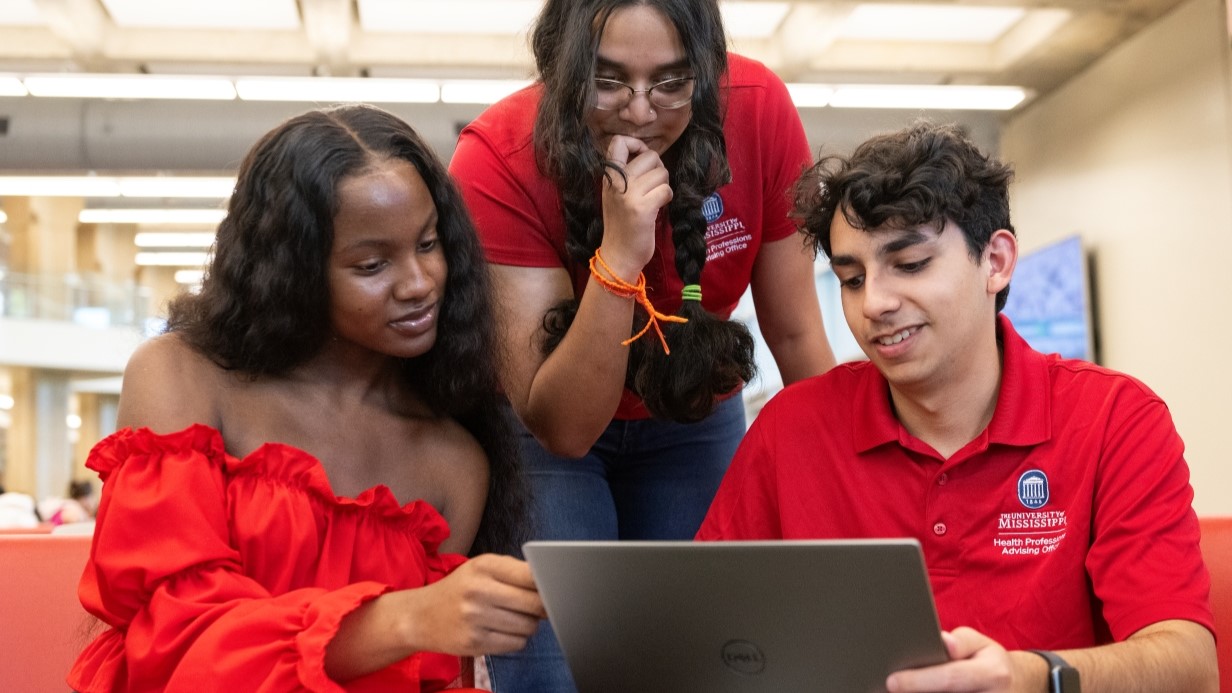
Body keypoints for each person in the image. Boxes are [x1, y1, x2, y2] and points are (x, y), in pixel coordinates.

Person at [697, 121, 1218, 692]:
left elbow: (1188, 667)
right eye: (850, 278)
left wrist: (1031, 677)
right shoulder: (789, 429)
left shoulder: (1115, 419)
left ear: (995, 261)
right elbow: (706, 637)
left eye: (911, 264)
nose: (874, 303)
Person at [69, 104, 545, 692]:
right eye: (371, 264)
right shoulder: (179, 378)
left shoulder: (454, 462)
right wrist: (404, 617)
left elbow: (423, 675)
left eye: (427, 244)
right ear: (292, 271)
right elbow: (172, 635)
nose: (419, 283)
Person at [450, 1, 836, 688]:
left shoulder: (757, 109)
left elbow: (797, 332)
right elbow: (563, 424)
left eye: (671, 81)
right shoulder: (497, 156)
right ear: (563, 67)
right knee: (553, 672)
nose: (638, 110)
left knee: (699, 662)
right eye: (607, 80)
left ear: (708, 69)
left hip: (694, 412)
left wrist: (848, 482)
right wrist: (622, 252)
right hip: (546, 429)